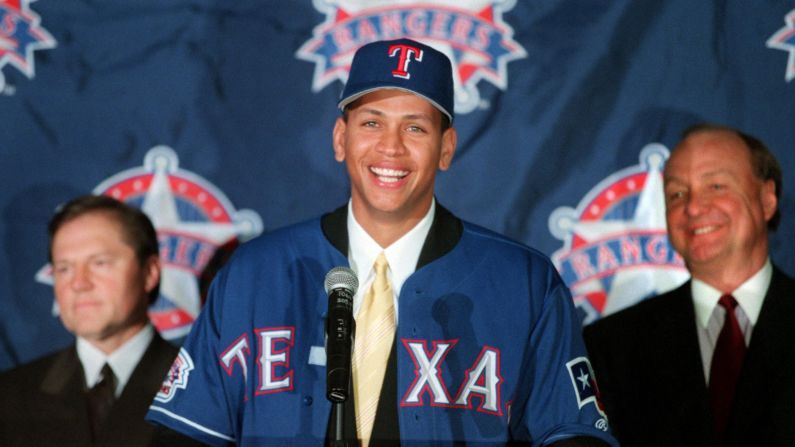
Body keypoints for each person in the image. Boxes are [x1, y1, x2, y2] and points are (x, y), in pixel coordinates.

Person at [146, 38, 617, 446]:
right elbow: (184, 434)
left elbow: (573, 435)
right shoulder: (254, 273)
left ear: (447, 148)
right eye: (372, 122)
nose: (390, 147)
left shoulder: (524, 283)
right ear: (340, 138)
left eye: (415, 127)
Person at [583, 124, 795, 446]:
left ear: (767, 200)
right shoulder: (608, 347)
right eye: (677, 194)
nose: (693, 208)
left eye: (716, 186)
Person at [0, 195, 200, 446]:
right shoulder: (10, 397)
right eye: (64, 268)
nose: (79, 283)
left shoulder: (205, 391)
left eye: (100, 263)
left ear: (149, 272)